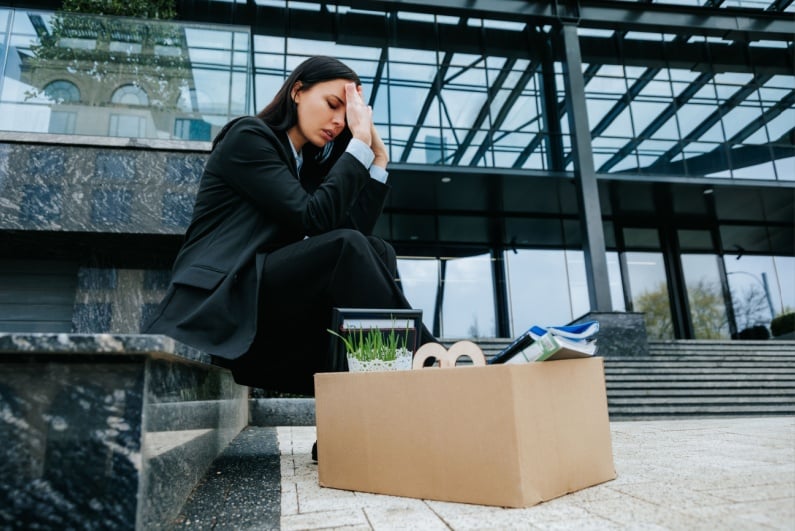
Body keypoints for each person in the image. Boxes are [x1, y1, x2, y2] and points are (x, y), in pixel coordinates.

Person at [144, 55, 433, 396]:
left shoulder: (306, 169)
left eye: (346, 116)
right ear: (297, 91)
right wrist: (358, 144)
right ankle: (432, 363)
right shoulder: (248, 137)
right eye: (332, 104)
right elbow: (315, 219)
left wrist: (378, 160)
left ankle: (373, 399)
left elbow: (351, 231)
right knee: (347, 248)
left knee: (377, 249)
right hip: (225, 298)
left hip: (267, 306)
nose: (339, 121)